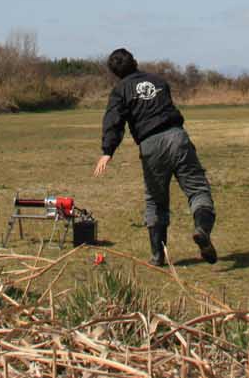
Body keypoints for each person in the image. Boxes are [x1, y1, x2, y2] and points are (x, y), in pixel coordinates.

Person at [93, 48, 217, 266]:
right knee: (197, 189)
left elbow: (113, 121)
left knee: (156, 201)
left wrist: (107, 151)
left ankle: (158, 255)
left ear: (114, 73)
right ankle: (202, 229)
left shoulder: (120, 90)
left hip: (150, 145)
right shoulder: (158, 81)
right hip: (177, 137)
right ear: (135, 62)